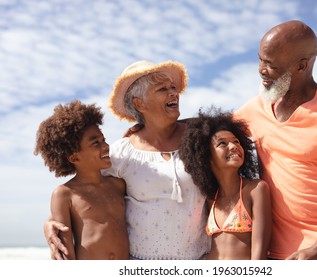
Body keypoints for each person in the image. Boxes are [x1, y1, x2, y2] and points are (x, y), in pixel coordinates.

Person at [44, 61, 211, 260]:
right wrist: (50, 223)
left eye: (173, 88)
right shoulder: (120, 155)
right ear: (139, 103)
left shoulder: (201, 139)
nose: (173, 93)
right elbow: (86, 192)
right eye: (162, 89)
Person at [235, 20, 317, 260]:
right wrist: (146, 124)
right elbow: (206, 128)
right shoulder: (255, 109)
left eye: (271, 65)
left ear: (301, 66)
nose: (261, 70)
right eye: (260, 59)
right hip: (275, 256)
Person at [34, 100, 129, 260]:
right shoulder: (64, 194)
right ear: (74, 157)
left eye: (103, 139)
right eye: (95, 143)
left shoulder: (118, 185)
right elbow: (64, 249)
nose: (105, 146)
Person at [180, 107, 272, 259]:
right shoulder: (211, 198)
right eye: (222, 144)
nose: (233, 146)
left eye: (236, 141)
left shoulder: (256, 189)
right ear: (206, 156)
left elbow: (260, 254)